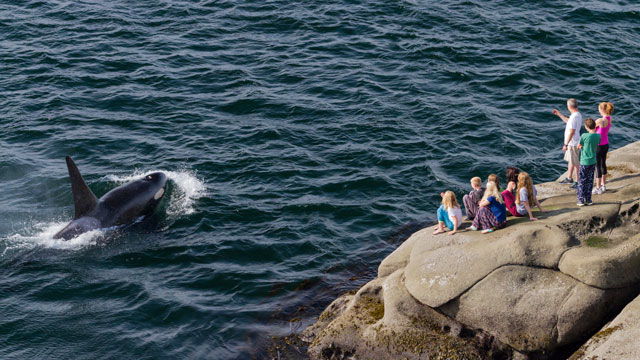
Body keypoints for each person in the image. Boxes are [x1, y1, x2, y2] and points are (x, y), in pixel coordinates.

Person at [553, 98, 582, 188]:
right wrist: (559, 115)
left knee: (576, 163)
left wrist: (566, 144)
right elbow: (568, 121)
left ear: (569, 106)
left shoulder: (574, 117)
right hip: (572, 143)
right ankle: (569, 178)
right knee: (571, 161)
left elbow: (572, 132)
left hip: (573, 143)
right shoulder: (577, 115)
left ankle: (578, 182)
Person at [577, 118, 601, 206]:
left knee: (582, 180)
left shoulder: (584, 135)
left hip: (584, 161)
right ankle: (588, 200)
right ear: (595, 126)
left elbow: (579, 146)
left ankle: (580, 200)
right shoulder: (598, 136)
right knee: (590, 181)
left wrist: (580, 147)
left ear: (586, 127)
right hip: (593, 161)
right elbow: (597, 143)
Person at [594, 102, 614, 194]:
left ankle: (598, 188)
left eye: (599, 108)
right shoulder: (609, 119)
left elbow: (591, 128)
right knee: (603, 164)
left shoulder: (600, 121)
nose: (598, 110)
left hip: (598, 145)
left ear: (602, 110)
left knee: (597, 166)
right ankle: (603, 185)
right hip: (606, 144)